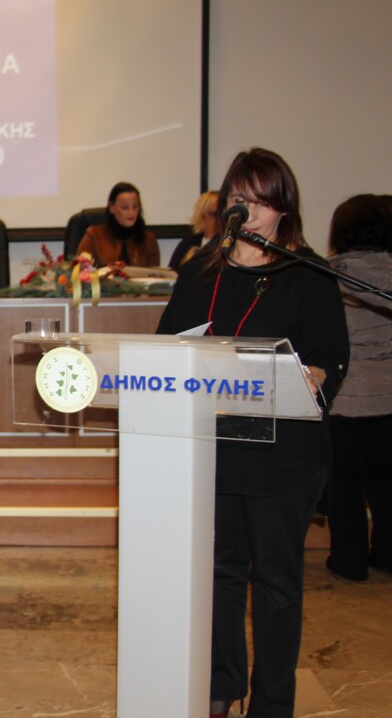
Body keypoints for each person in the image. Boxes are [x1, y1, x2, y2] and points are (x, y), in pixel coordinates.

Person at [156, 148, 349, 718]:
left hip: (282, 458)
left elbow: (330, 357)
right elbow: (166, 346)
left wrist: (314, 375)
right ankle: (220, 687)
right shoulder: (201, 270)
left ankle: (271, 703)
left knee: (275, 584)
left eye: (262, 201)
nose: (250, 211)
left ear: (284, 209)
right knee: (218, 574)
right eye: (240, 199)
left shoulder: (307, 274)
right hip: (214, 450)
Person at [325, 194, 392, 581]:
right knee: (388, 484)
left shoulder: (328, 275)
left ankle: (348, 561)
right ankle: (387, 554)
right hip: (390, 400)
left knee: (345, 485)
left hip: (347, 399)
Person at [75, 181, 161, 267]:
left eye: (135, 207)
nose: (131, 212)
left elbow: (154, 273)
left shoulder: (149, 240)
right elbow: (80, 270)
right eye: (125, 207)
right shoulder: (93, 236)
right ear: (111, 207)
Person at [169, 190, 221, 270]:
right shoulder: (187, 244)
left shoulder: (230, 244)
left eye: (222, 214)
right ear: (201, 216)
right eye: (214, 214)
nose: (219, 219)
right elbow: (172, 274)